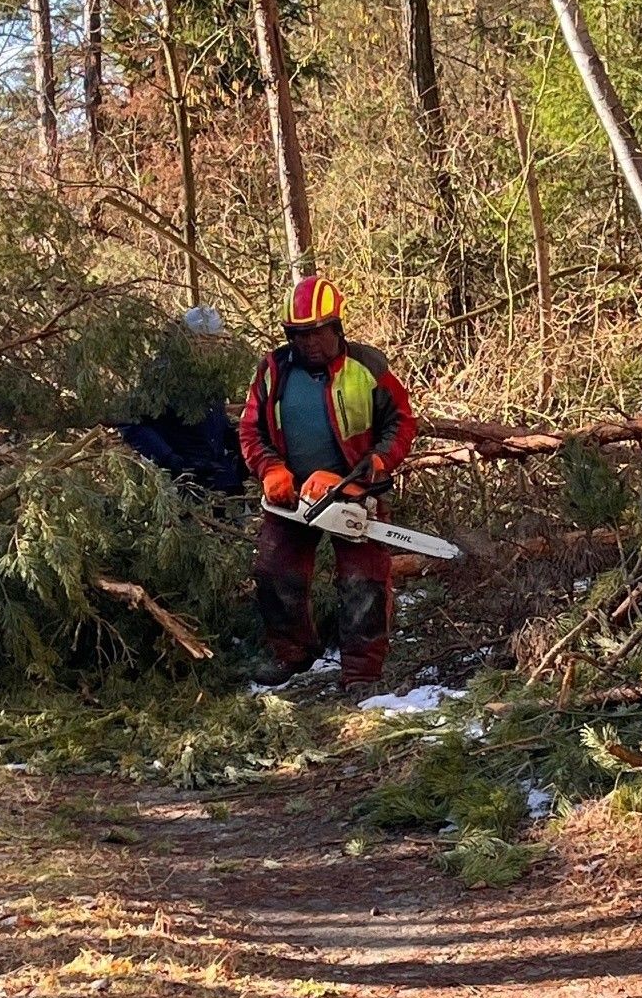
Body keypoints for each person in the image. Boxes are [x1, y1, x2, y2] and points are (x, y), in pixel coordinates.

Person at [239, 275, 417, 689]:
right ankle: (292, 653)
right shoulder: (273, 371)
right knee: (274, 571)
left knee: (363, 582)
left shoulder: (367, 367)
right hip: (291, 493)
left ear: (336, 327)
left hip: (354, 489)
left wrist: (375, 463)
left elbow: (401, 421)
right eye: (299, 335)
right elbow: (250, 429)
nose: (309, 343)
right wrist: (269, 468)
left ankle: (362, 672)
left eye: (317, 332)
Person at [116, 307, 245, 494]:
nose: (213, 348)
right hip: (183, 483)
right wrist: (168, 458)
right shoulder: (163, 376)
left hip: (218, 478)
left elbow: (213, 425)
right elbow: (130, 421)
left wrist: (238, 443)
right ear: (188, 339)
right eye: (206, 340)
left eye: (217, 341)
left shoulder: (211, 376)